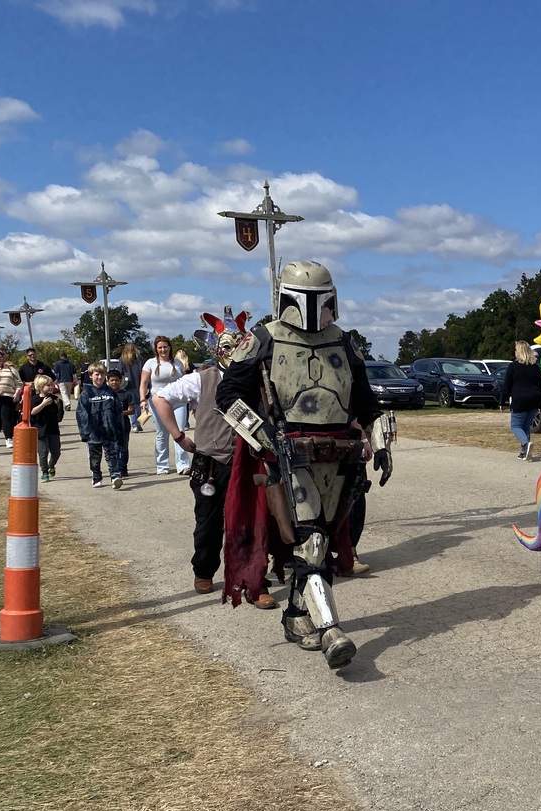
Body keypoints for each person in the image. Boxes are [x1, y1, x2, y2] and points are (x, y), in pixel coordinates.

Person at [216, 260, 382, 670]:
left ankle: (295, 615)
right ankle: (331, 631)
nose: (314, 308)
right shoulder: (263, 339)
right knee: (309, 539)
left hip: (339, 457)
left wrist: (379, 442)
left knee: (320, 539)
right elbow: (228, 396)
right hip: (289, 453)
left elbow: (366, 400)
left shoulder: (343, 341)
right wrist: (262, 437)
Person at [153, 309, 278, 609]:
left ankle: (252, 580)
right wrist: (179, 436)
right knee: (208, 522)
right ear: (217, 348)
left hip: (249, 460)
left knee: (253, 522)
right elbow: (160, 398)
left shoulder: (259, 377)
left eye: (239, 343)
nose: (234, 349)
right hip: (212, 463)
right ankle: (204, 571)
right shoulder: (201, 379)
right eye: (228, 344)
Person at [139, 336, 190, 475]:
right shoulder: (150, 363)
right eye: (160, 347)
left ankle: (183, 465)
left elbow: (185, 383)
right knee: (162, 433)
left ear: (170, 347)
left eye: (165, 347)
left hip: (178, 402)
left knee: (179, 432)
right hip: (158, 402)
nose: (163, 349)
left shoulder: (178, 363)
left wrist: (191, 400)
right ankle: (162, 465)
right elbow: (143, 383)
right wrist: (142, 399)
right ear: (156, 348)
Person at [76, 361, 125, 489]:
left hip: (110, 430)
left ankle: (115, 476)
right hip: (93, 432)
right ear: (91, 375)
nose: (99, 377)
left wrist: (120, 429)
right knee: (95, 457)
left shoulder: (110, 393)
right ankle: (96, 476)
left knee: (112, 454)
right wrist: (84, 432)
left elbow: (118, 412)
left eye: (102, 375)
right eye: (97, 374)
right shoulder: (86, 394)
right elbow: (81, 414)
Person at [499, 339, 541, 460]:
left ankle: (525, 443)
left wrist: (502, 401)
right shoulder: (535, 367)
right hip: (534, 399)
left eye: (516, 350)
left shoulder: (513, 366)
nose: (515, 352)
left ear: (519, 352)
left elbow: (507, 385)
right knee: (526, 426)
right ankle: (524, 452)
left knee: (515, 426)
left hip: (520, 399)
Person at [30, 375, 65, 482]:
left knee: (56, 452)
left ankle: (51, 465)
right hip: (40, 429)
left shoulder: (55, 399)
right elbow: (32, 412)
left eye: (52, 385)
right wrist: (43, 404)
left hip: (53, 429)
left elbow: (59, 417)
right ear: (40, 386)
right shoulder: (35, 399)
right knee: (43, 452)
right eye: (48, 385)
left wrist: (59, 406)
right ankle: (44, 472)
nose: (51, 387)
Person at [0, 349, 23, 447]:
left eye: (1, 357)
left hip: (8, 397)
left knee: (6, 417)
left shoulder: (11, 369)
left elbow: (19, 383)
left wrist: (17, 392)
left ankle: (8, 438)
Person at [106, 369, 134, 478]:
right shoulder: (105, 394)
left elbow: (132, 410)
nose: (114, 382)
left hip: (123, 425)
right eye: (112, 380)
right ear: (107, 381)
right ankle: (115, 468)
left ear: (120, 380)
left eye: (116, 380)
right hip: (109, 425)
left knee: (123, 447)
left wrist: (120, 412)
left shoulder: (126, 394)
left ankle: (123, 467)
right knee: (113, 448)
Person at [118, 343, 144, 433]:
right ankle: (138, 422)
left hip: (127, 385)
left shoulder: (123, 359)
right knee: (137, 405)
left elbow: (120, 372)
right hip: (139, 384)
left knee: (131, 405)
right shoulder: (140, 359)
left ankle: (134, 424)